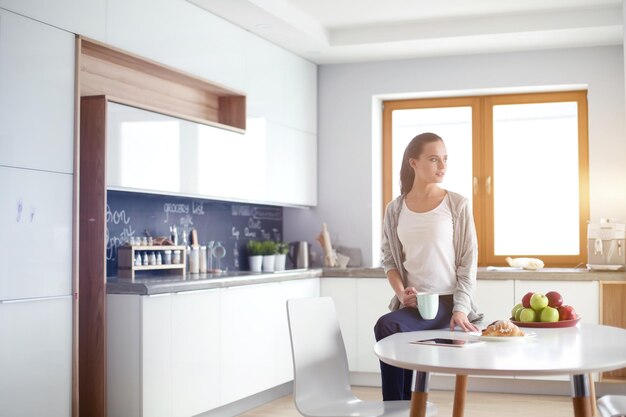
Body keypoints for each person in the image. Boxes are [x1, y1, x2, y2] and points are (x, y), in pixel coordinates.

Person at [374, 132, 483, 401]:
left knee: (386, 327)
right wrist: (401, 294)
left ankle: (396, 408)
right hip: (415, 306)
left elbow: (468, 264)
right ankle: (403, 406)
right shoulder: (395, 209)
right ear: (413, 163)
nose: (442, 166)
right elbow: (389, 259)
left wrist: (461, 310)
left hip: (448, 304)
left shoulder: (457, 204)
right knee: (392, 329)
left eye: (444, 159)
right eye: (434, 159)